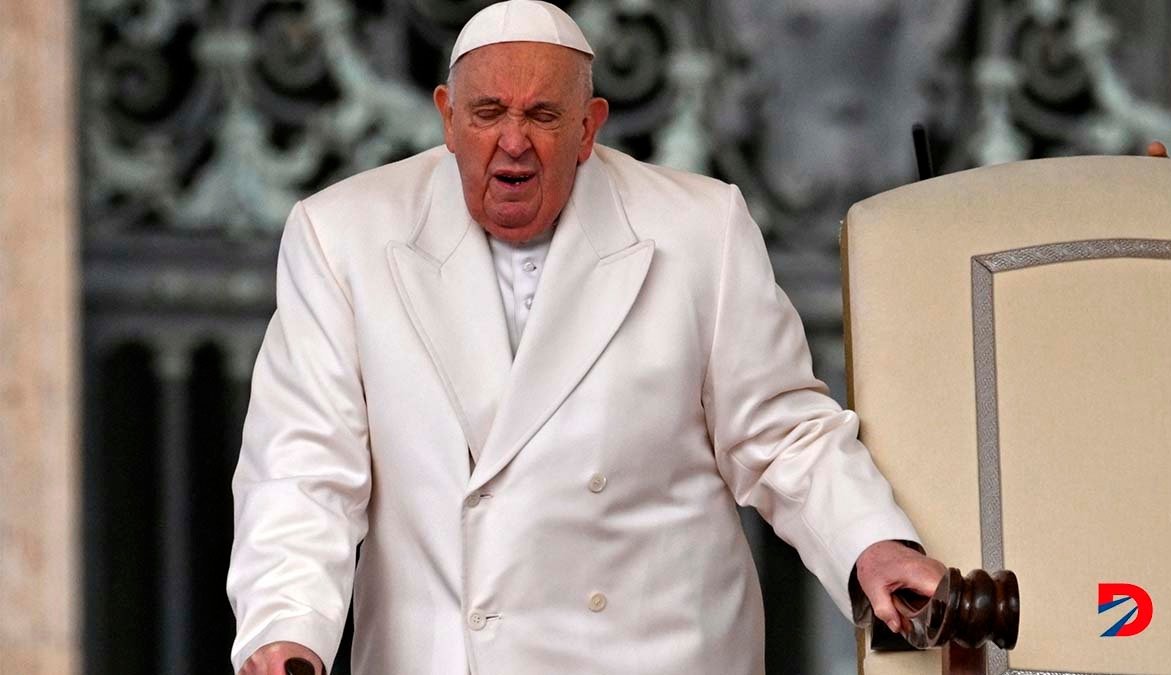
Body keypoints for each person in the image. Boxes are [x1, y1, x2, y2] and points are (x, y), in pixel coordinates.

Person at [227, 2, 948, 673]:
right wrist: (287, 626)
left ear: (589, 126)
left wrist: (871, 544)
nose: (514, 142)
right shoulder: (342, 235)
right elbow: (302, 467)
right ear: (447, 118)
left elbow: (783, 434)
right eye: (488, 113)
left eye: (543, 114)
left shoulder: (699, 227)